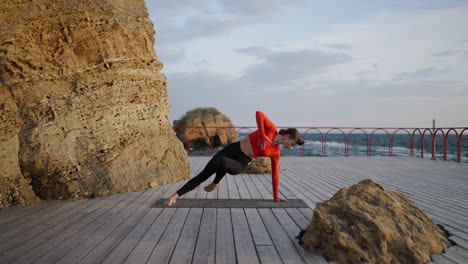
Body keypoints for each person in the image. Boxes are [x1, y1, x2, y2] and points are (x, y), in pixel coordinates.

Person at [165, 110, 304, 206]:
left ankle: (215, 181)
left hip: (241, 162)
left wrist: (276, 196)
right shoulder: (270, 129)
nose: (290, 147)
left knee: (223, 162)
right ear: (286, 137)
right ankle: (175, 196)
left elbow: (275, 175)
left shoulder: (275, 152)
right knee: (203, 174)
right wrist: (262, 134)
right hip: (232, 149)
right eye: (291, 144)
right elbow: (259, 113)